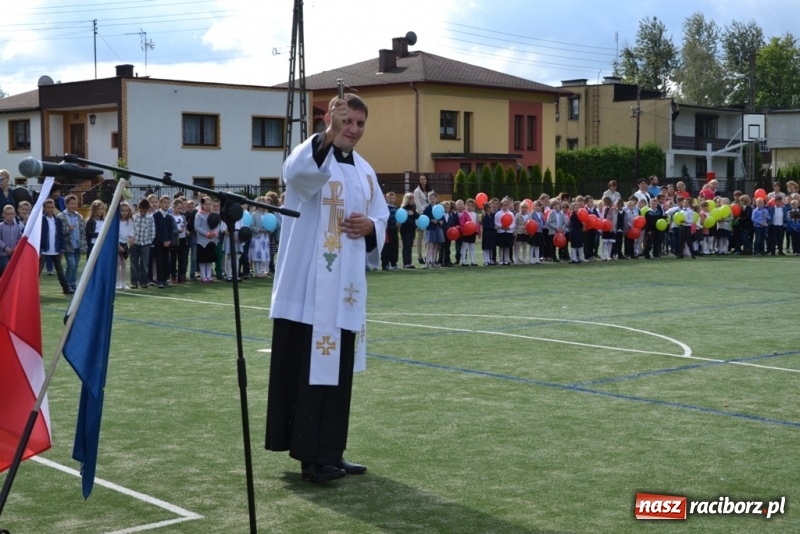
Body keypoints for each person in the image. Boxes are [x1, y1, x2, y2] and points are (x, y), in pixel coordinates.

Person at [265, 92, 389, 483]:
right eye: (346, 121)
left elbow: (381, 216)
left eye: (359, 124)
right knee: (309, 376)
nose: (352, 130)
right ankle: (310, 459)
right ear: (330, 120)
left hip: (345, 291)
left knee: (338, 379)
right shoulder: (314, 157)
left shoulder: (367, 172)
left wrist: (372, 228)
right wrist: (327, 136)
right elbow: (296, 175)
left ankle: (332, 452)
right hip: (308, 292)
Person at [39, 199, 73, 295]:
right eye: (48, 207)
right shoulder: (41, 220)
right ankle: (31, 290)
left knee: (60, 271)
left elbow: (60, 235)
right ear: (44, 208)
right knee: (38, 271)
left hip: (56, 250)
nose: (50, 209)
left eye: (52, 207)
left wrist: (61, 249)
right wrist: (39, 249)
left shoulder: (57, 220)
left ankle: (66, 288)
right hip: (44, 250)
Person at [58, 194, 86, 291]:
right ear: (66, 204)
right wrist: (68, 229)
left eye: (75, 204)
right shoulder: (61, 216)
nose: (73, 206)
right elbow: (59, 231)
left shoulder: (79, 216)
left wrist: (83, 245)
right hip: (68, 245)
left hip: (78, 244)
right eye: (71, 203)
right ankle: (68, 284)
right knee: (71, 264)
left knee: (76, 265)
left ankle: (73, 283)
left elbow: (82, 232)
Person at [130, 198, 155, 289]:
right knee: (134, 264)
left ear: (148, 210)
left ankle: (144, 282)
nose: (142, 213)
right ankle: (134, 282)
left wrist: (149, 242)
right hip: (135, 244)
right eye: (141, 211)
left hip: (145, 244)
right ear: (138, 208)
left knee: (144, 265)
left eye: (144, 211)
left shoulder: (150, 218)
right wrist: (131, 240)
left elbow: (152, 232)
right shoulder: (134, 217)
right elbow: (131, 229)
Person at [413, 175, 431, 264]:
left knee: (428, 237)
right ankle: (419, 256)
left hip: (430, 215)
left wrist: (430, 213)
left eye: (424, 179)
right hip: (421, 215)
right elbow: (418, 204)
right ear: (419, 181)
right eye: (421, 179)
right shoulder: (416, 191)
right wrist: (425, 212)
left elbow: (433, 201)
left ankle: (427, 255)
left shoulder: (431, 190)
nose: (423, 181)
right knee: (420, 237)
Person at [117, 201, 135, 290]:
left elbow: (132, 231)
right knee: (118, 263)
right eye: (122, 210)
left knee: (123, 263)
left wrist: (131, 237)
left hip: (124, 243)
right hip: (117, 244)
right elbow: (115, 234)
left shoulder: (130, 221)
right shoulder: (116, 221)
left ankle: (123, 282)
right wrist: (118, 245)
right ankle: (117, 282)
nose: (124, 212)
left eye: (126, 211)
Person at [0, 205, 22, 276]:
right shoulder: (1, 226)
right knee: (6, 271)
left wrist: (16, 248)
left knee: (13, 272)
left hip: (14, 253)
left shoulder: (17, 227)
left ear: (15, 214)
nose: (10, 216)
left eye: (11, 214)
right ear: (3, 215)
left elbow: (20, 238)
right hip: (3, 254)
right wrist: (5, 248)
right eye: (7, 214)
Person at [398, 192, 418, 269]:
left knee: (410, 246)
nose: (412, 201)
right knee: (406, 246)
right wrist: (407, 213)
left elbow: (417, 216)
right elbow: (402, 219)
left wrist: (412, 213)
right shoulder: (403, 209)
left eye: (413, 199)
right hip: (405, 230)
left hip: (412, 229)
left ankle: (409, 262)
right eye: (411, 199)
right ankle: (405, 263)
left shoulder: (413, 208)